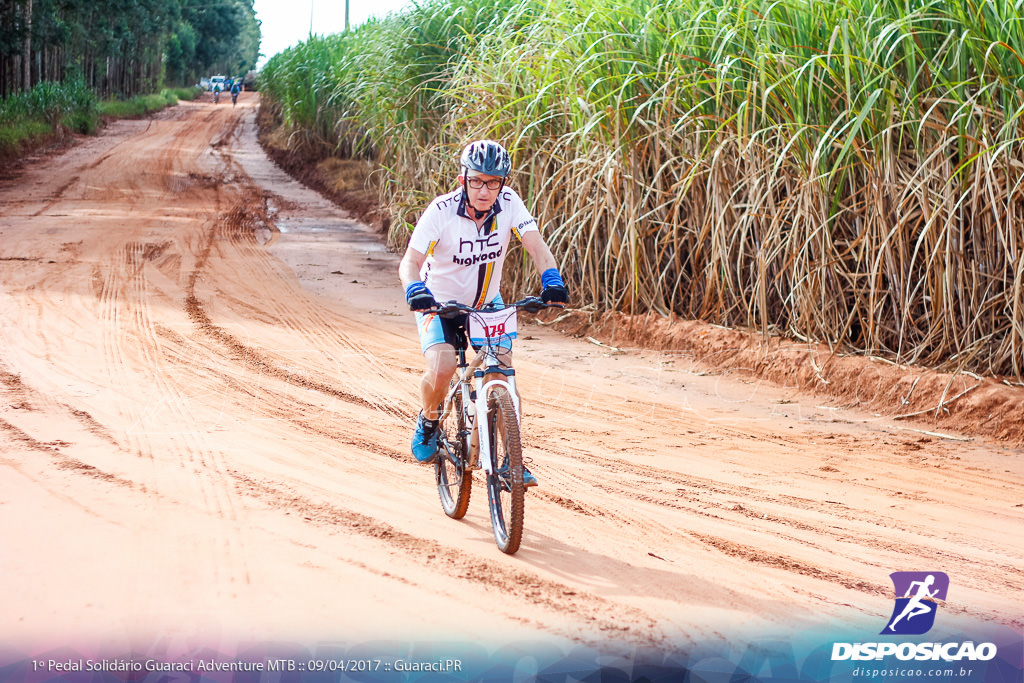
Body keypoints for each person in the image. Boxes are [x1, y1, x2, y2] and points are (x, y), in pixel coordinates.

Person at [398, 140, 569, 486]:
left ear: (503, 183)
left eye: (493, 182)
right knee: (444, 365)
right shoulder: (441, 211)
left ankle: (511, 460)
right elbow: (410, 262)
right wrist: (415, 288)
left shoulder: (509, 204)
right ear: (462, 180)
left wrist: (551, 278)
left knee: (502, 373)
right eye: (477, 181)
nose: (485, 190)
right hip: (439, 304)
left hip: (487, 305)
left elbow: (536, 246)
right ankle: (429, 420)